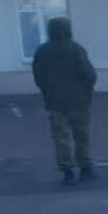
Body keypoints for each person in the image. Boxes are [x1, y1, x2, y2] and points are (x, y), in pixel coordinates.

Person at [30, 15, 97, 184]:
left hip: (55, 102)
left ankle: (67, 172)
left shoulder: (42, 51)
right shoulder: (76, 49)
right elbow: (89, 75)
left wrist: (47, 91)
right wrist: (88, 92)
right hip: (79, 101)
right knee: (82, 136)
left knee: (60, 138)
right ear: (68, 30)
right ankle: (86, 169)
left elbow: (38, 77)